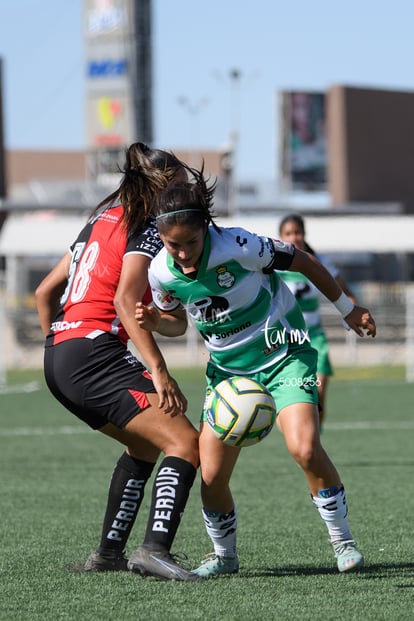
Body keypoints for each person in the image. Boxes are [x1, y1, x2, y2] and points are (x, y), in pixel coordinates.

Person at [134, 171, 376, 578]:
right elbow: (178, 324)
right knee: (210, 474)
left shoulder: (239, 245)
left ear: (206, 229)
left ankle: (343, 541)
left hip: (284, 354)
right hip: (228, 374)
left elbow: (302, 261)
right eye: (173, 245)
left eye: (190, 243)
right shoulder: (160, 271)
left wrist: (346, 308)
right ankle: (225, 556)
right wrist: (158, 322)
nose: (182, 253)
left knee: (304, 447)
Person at [35, 142, 200, 582]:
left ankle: (109, 553)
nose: (185, 197)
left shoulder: (97, 221)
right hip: (93, 355)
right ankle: (154, 550)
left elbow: (44, 293)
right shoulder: (146, 225)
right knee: (186, 442)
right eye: (181, 187)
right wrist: (161, 373)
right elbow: (126, 302)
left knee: (145, 445)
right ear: (161, 189)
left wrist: (59, 342)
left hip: (60, 357)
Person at [278, 213, 357, 426]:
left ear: (304, 234)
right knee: (292, 397)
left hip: (314, 337)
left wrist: (350, 310)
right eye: (288, 233)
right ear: (280, 236)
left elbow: (345, 291)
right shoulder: (272, 264)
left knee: (318, 392)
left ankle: (314, 444)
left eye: (297, 232)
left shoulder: (318, 262)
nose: (293, 237)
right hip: (285, 340)